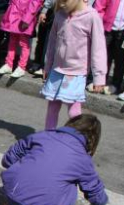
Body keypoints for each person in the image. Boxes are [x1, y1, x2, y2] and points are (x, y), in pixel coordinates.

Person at [0, 114, 108, 205]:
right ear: (92, 139)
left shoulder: (42, 135)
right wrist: (102, 202)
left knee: (32, 170)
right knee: (70, 185)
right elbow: (95, 193)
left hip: (11, 193)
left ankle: (15, 204)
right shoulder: (83, 158)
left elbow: (8, 159)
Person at [41, 0, 106, 129]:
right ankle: (48, 138)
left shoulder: (91, 17)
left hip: (76, 73)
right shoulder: (60, 14)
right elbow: (52, 43)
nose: (62, 4)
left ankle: (77, 141)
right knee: (52, 109)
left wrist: (99, 76)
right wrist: (47, 66)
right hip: (57, 70)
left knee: (74, 112)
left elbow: (98, 48)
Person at [94, 0, 124, 94]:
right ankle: (99, 81)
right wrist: (100, 21)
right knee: (102, 56)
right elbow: (99, 6)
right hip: (106, 28)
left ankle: (116, 84)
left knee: (120, 58)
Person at [0, 0, 44, 77]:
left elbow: (35, 3)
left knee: (24, 43)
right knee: (12, 41)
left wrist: (27, 19)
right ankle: (9, 64)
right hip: (14, 14)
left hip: (24, 16)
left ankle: (21, 67)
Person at [28, 0, 55, 76]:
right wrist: (44, 11)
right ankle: (37, 63)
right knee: (41, 39)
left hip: (57, 11)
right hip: (49, 9)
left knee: (49, 42)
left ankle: (45, 67)